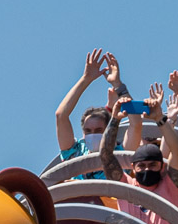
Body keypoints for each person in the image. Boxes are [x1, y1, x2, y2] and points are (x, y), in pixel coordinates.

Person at [99, 86, 178, 224]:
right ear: (133, 168)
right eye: (142, 166)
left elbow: (177, 151)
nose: (147, 169)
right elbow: (105, 155)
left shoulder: (171, 186)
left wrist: (160, 118)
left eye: (152, 165)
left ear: (161, 167)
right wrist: (114, 119)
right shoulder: (125, 185)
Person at [54, 50, 140, 178]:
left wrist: (118, 85)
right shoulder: (75, 153)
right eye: (88, 131)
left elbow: (136, 124)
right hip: (78, 197)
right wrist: (86, 79)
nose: (93, 135)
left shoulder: (121, 155)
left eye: (99, 130)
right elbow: (61, 115)